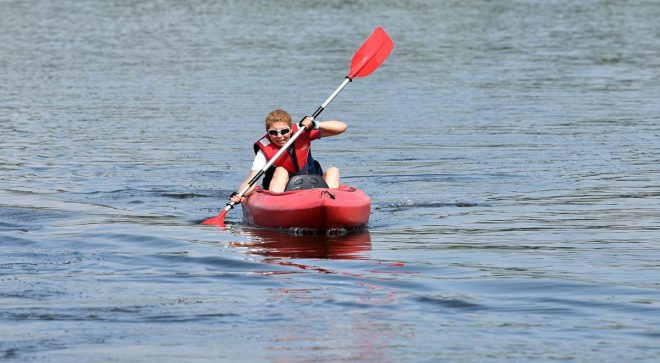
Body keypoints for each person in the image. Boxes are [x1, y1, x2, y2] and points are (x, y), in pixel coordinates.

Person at [230, 109, 348, 204]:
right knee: (281, 170)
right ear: (267, 132)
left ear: (291, 128)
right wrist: (240, 194)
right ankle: (276, 205)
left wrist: (316, 124)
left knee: (333, 170)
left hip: (313, 185)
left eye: (284, 131)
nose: (280, 136)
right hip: (283, 193)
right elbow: (252, 179)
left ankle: (331, 202)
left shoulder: (302, 132)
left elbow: (342, 127)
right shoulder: (263, 151)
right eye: (273, 132)